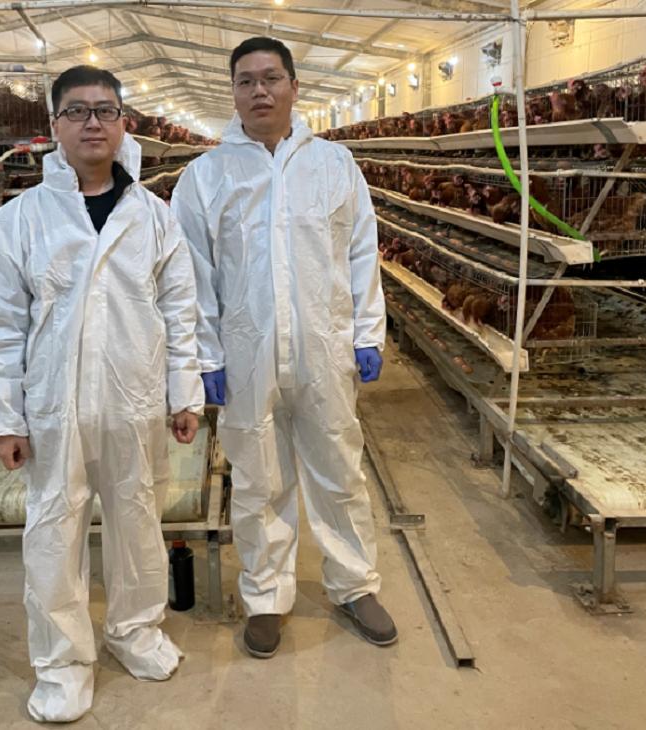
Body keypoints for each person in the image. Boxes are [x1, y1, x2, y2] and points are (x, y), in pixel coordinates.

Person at [0, 65, 204, 722]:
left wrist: (184, 394)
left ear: (124, 122)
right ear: (54, 126)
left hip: (134, 400)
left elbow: (180, 310)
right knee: (54, 532)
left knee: (138, 520)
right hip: (54, 408)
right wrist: (6, 417)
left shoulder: (154, 217)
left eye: (105, 110)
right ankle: (64, 662)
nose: (92, 123)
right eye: (76, 111)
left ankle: (135, 630)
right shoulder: (21, 219)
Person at [171, 37, 397, 659]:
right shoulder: (205, 176)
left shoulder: (335, 165)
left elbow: (361, 251)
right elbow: (192, 275)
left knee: (340, 469)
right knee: (257, 479)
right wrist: (205, 355)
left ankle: (355, 584)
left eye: (271, 78)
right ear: (233, 92)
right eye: (246, 81)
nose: (259, 91)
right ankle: (266, 595)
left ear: (295, 87)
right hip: (247, 354)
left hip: (325, 347)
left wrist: (367, 333)